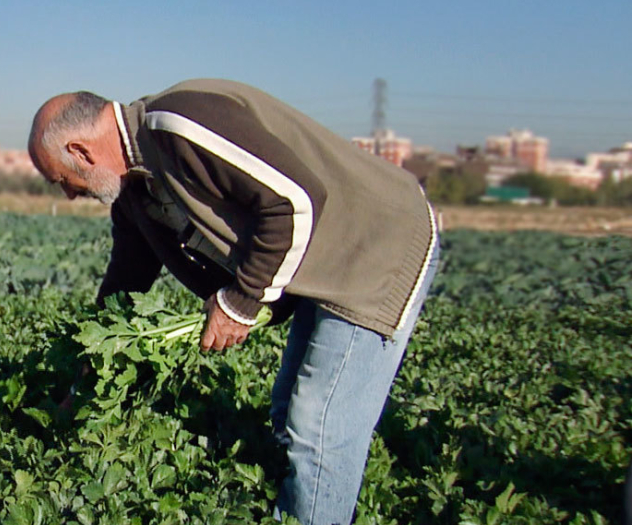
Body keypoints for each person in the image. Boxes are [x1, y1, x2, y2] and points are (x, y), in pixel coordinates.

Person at [28, 79, 439, 524]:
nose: (69, 195)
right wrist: (83, 379)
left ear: (82, 151)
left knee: (318, 427)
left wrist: (239, 302)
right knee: (288, 411)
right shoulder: (137, 197)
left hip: (374, 248)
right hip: (323, 263)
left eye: (62, 180)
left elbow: (294, 202)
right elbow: (123, 287)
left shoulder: (180, 124)